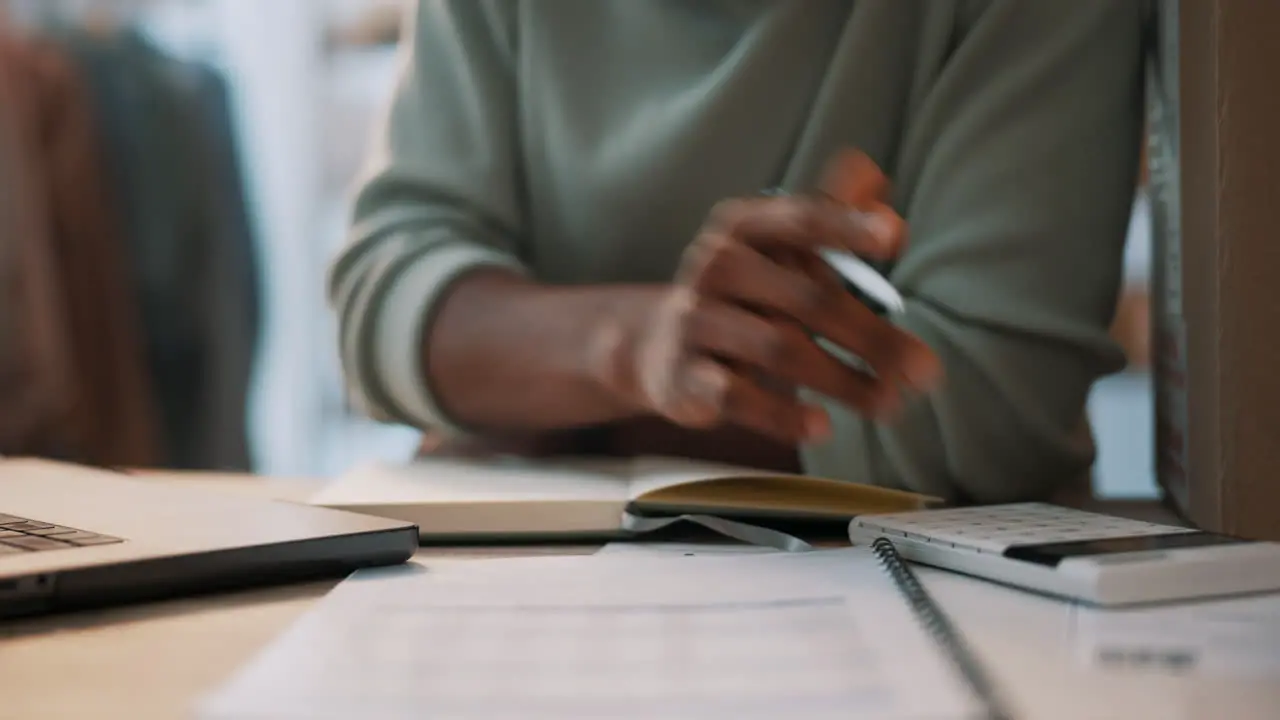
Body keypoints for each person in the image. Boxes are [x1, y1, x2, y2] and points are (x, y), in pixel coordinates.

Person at [329, 0, 1145, 505]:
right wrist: (639, 348)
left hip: (908, 599)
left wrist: (550, 398)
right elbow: (382, 308)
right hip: (535, 593)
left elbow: (999, 409)